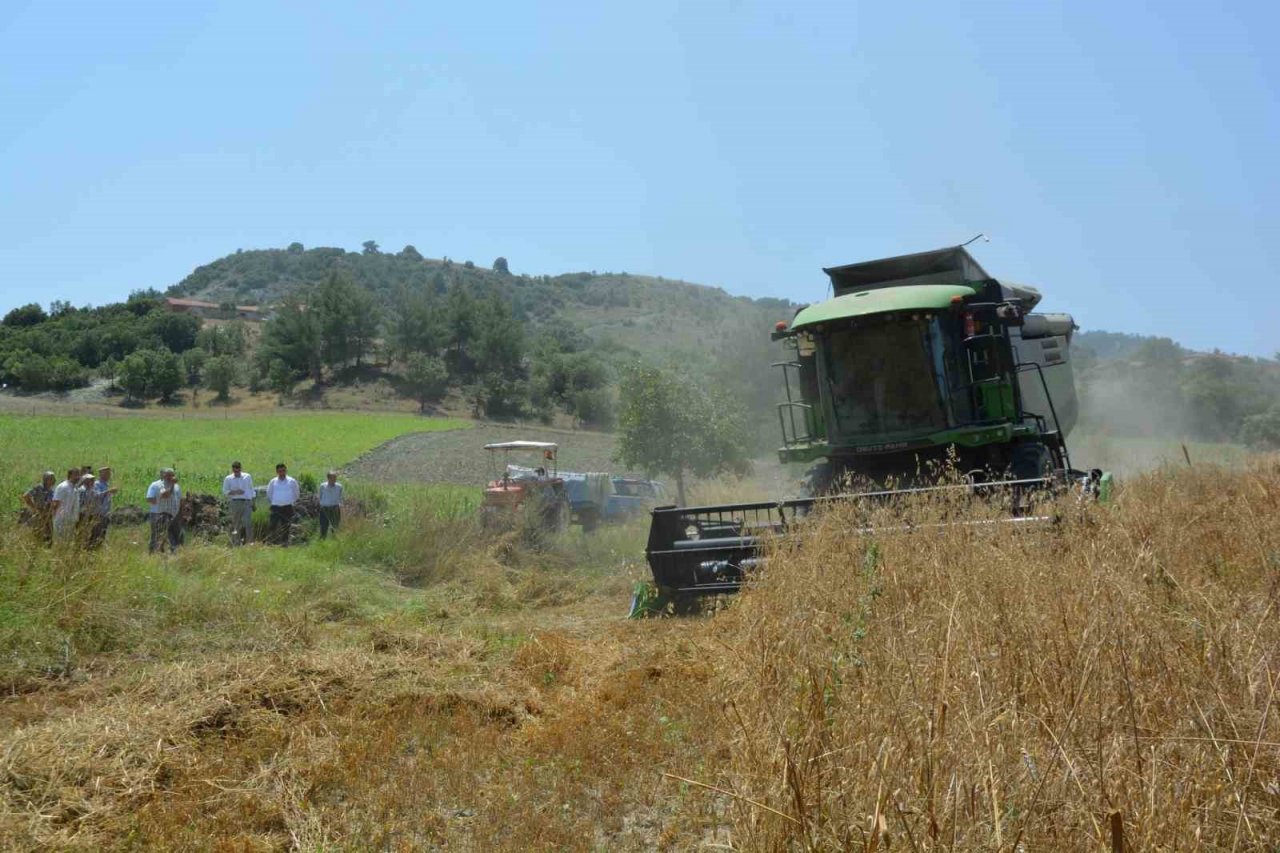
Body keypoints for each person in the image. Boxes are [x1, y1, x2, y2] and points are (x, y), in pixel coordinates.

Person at [146, 468, 182, 553]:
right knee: (157, 535)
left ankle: (173, 553)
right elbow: (165, 495)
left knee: (173, 535)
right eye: (168, 475)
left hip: (173, 514)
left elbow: (180, 500)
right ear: (163, 475)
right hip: (159, 514)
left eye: (172, 475)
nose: (170, 477)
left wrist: (180, 514)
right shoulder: (158, 485)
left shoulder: (177, 486)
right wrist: (172, 485)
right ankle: (153, 553)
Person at [265, 463, 299, 546]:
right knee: (272, 525)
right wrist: (275, 501)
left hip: (287, 507)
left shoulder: (292, 481)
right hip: (275, 507)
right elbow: (269, 493)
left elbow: (296, 493)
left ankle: (284, 543)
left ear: (286, 470)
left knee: (286, 526)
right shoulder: (273, 481)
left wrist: (290, 501)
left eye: (283, 471)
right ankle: (270, 543)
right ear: (277, 471)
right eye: (280, 471)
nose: (282, 473)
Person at [222, 460, 255, 545]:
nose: (236, 472)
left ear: (240, 468)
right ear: (232, 469)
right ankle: (236, 542)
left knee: (248, 523)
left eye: (238, 470)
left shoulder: (247, 476)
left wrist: (253, 501)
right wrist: (235, 492)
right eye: (234, 470)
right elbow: (225, 491)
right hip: (235, 502)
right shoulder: (228, 478)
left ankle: (249, 542)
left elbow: (251, 489)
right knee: (236, 523)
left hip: (246, 502)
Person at [21, 471, 56, 543]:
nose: (54, 480)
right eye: (52, 478)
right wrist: (34, 508)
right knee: (37, 533)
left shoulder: (52, 491)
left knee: (48, 535)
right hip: (39, 514)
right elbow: (26, 496)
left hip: (48, 515)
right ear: (46, 479)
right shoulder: (38, 488)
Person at [50, 467, 82, 544]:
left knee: (68, 542)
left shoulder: (75, 489)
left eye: (79, 474)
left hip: (71, 520)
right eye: (76, 474)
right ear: (70, 475)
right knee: (60, 541)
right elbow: (55, 503)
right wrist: (55, 518)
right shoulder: (63, 487)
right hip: (62, 519)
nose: (78, 477)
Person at [90, 466, 118, 548]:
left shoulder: (106, 484)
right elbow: (96, 496)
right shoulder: (96, 484)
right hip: (98, 514)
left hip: (105, 514)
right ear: (101, 474)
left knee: (102, 535)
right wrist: (109, 491)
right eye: (107, 473)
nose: (109, 475)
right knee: (96, 535)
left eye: (109, 473)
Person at [318, 470, 343, 539]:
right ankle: (322, 540)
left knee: (335, 525)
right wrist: (321, 505)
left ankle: (334, 539)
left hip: (335, 508)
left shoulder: (339, 486)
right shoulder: (322, 486)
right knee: (323, 525)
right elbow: (320, 496)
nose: (334, 479)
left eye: (335, 478)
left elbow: (341, 497)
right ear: (328, 478)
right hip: (324, 508)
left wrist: (340, 506)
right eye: (332, 478)